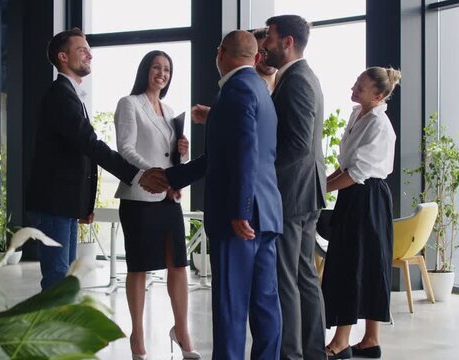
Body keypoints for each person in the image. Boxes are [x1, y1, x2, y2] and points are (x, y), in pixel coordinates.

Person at [141, 30, 283, 360]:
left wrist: (240, 210)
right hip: (268, 214)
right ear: (256, 57)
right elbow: (226, 156)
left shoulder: (235, 91)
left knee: (231, 305)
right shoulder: (261, 90)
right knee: (265, 303)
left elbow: (245, 155)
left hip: (241, 218)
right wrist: (172, 177)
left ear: (220, 53)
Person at [25, 28, 154, 291]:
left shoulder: (71, 95)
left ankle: (59, 330)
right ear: (63, 56)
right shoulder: (60, 95)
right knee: (57, 279)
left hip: (63, 206)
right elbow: (90, 144)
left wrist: (83, 206)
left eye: (89, 50)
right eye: (82, 50)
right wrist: (137, 174)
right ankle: (52, 332)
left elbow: (79, 155)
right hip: (53, 206)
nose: (89, 55)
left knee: (64, 279)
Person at [112, 50, 198, 360]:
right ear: (145, 70)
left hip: (167, 199)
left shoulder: (170, 110)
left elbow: (173, 159)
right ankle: (137, 336)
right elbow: (125, 149)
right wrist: (152, 174)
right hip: (139, 198)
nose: (162, 73)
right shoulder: (129, 104)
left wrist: (183, 153)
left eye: (167, 69)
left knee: (178, 265)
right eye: (156, 67)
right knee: (139, 268)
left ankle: (182, 332)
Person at [322, 67, 400, 360]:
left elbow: (357, 173)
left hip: (368, 197)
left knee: (354, 264)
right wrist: (321, 185)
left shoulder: (380, 125)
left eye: (361, 88)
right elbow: (345, 165)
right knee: (361, 262)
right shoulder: (357, 114)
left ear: (378, 96)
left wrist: (322, 190)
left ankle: (341, 341)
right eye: (356, 84)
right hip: (353, 195)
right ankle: (370, 340)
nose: (354, 90)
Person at [262, 15, 327, 360]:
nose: (264, 44)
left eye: (269, 37)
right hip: (306, 191)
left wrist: (262, 172)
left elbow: (298, 144)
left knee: (287, 278)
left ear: (287, 42)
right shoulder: (303, 77)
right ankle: (312, 353)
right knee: (303, 276)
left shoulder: (297, 81)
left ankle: (291, 355)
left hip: (292, 193)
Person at [251, 28, 277, 93]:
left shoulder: (287, 81)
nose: (267, 57)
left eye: (271, 51)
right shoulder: (249, 85)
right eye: (262, 51)